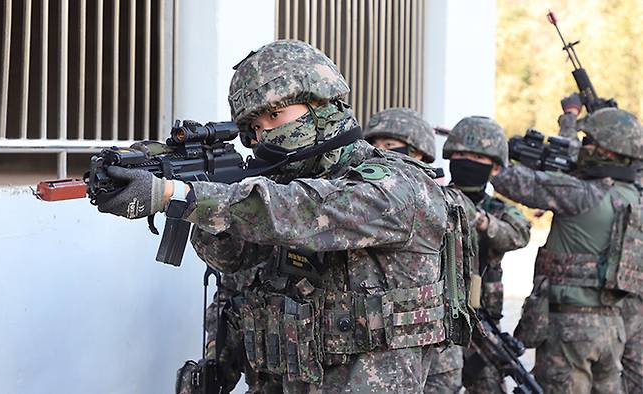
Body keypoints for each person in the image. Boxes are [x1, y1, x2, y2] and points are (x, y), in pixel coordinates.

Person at [96, 40, 470, 393]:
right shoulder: (276, 185)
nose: (266, 134)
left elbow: (309, 212)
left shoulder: (397, 184)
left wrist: (177, 194)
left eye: (275, 115)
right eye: (256, 127)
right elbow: (233, 261)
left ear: (322, 105)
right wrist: (196, 193)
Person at [492, 99, 643, 393]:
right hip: (612, 328)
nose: (582, 147)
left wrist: (495, 153)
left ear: (608, 151)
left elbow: (509, 181)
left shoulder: (581, 194)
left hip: (568, 327)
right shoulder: (634, 198)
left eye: (588, 142)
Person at [364, 107, 479, 394]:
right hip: (389, 339)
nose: (379, 152)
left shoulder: (441, 198)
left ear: (417, 152)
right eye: (374, 144)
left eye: (389, 145)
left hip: (435, 338)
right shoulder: (367, 196)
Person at [441, 116, 531, 393]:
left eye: (477, 156)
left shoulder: (498, 209)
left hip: (483, 324)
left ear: (494, 166)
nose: (467, 160)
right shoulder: (434, 198)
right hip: (438, 319)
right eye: (460, 154)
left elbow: (518, 234)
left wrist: (480, 220)